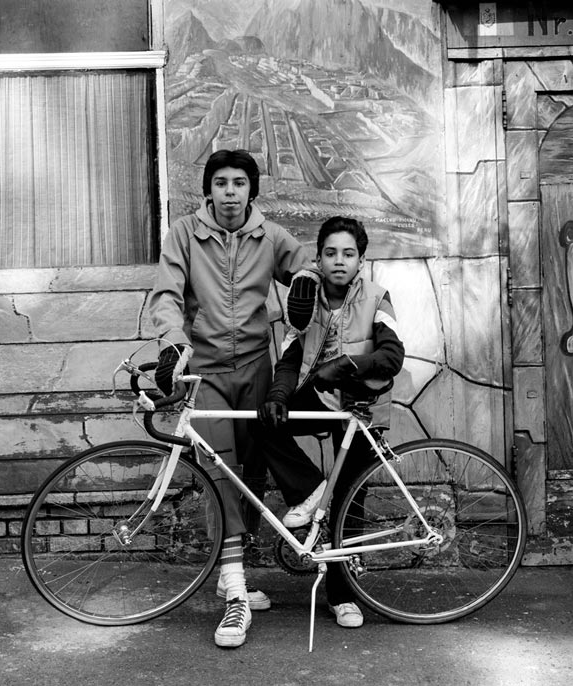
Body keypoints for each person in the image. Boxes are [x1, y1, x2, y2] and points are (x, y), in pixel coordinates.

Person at [149, 149, 317, 648]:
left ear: (251, 190)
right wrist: (172, 342)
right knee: (220, 471)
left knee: (253, 472)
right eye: (220, 182)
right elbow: (166, 295)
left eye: (239, 183)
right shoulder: (184, 234)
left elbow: (307, 266)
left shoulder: (270, 236)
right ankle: (236, 593)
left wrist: (304, 283)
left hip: (256, 367)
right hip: (206, 372)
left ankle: (233, 569)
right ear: (208, 190)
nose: (229, 191)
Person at [256, 216, 405, 629]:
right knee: (263, 423)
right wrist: (279, 395)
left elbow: (392, 355)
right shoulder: (305, 299)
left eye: (349, 254)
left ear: (361, 260)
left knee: (349, 502)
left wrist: (347, 365)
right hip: (319, 395)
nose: (340, 261)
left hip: (360, 404)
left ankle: (343, 596)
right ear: (318, 258)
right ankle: (309, 491)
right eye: (331, 253)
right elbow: (290, 358)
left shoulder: (377, 297)